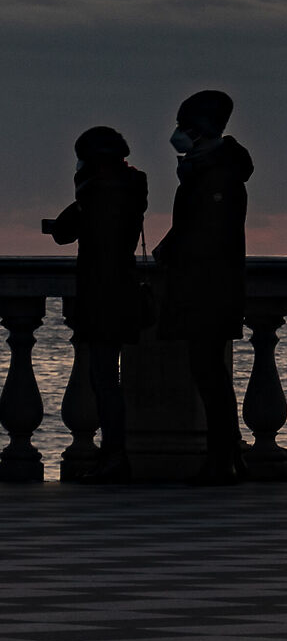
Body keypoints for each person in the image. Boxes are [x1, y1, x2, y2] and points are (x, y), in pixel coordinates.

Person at [153, 89, 252, 486]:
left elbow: (209, 235)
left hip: (209, 292)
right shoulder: (207, 173)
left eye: (184, 127)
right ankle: (228, 456)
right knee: (210, 376)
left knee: (211, 377)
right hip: (206, 290)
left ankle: (222, 459)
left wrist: (176, 249)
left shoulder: (219, 177)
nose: (177, 134)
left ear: (200, 132)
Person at [46, 127, 148, 484]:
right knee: (106, 378)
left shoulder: (97, 192)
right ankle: (113, 456)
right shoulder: (133, 187)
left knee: (104, 379)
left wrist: (81, 189)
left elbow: (63, 231)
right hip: (123, 289)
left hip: (101, 293)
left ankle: (114, 458)